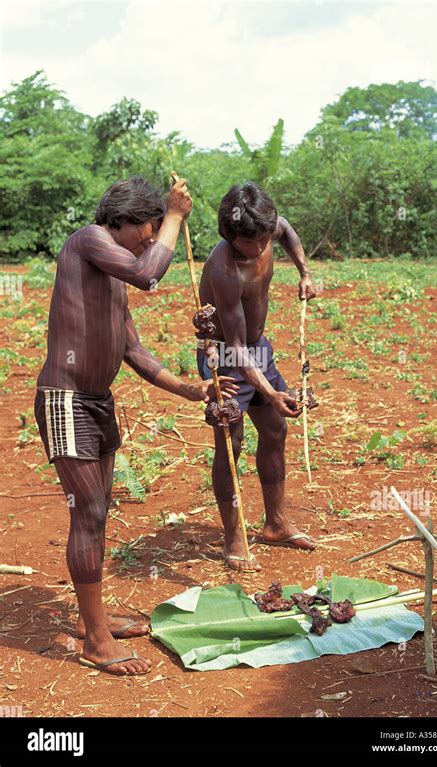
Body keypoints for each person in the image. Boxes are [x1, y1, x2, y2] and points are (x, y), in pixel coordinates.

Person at [34, 176, 238, 675]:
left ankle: (91, 620)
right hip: (65, 399)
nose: (151, 239)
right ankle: (95, 640)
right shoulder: (89, 240)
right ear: (121, 219)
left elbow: (134, 352)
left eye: (155, 230)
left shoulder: (110, 278)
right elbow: (150, 275)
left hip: (97, 401)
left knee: (99, 513)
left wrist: (193, 389)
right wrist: (174, 216)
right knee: (88, 511)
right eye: (147, 229)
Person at [197, 182, 317, 572]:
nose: (265, 245)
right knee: (230, 444)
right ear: (232, 235)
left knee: (276, 429)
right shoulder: (224, 270)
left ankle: (276, 523)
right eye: (256, 241)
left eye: (267, 236)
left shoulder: (266, 229)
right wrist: (272, 390)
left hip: (257, 348)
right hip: (228, 357)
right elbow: (234, 347)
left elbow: (286, 230)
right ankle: (234, 534)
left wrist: (304, 272)